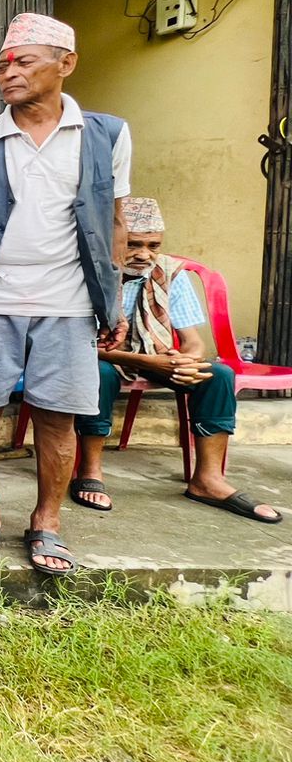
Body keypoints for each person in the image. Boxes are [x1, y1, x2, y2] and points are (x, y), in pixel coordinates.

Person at [0, 12, 132, 578]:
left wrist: (111, 299)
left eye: (23, 62)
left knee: (58, 418)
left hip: (69, 302)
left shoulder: (107, 135)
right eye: (3, 65)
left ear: (66, 64)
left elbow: (115, 220)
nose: (9, 74)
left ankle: (47, 520)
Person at [74, 197, 281, 524]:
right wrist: (150, 364)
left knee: (217, 375)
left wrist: (185, 362)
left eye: (153, 245)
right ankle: (90, 471)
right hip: (99, 356)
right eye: (133, 244)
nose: (144, 254)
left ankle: (207, 479)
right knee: (99, 373)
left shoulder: (169, 274)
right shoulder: (89, 273)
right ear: (113, 241)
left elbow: (193, 342)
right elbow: (77, 345)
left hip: (158, 358)